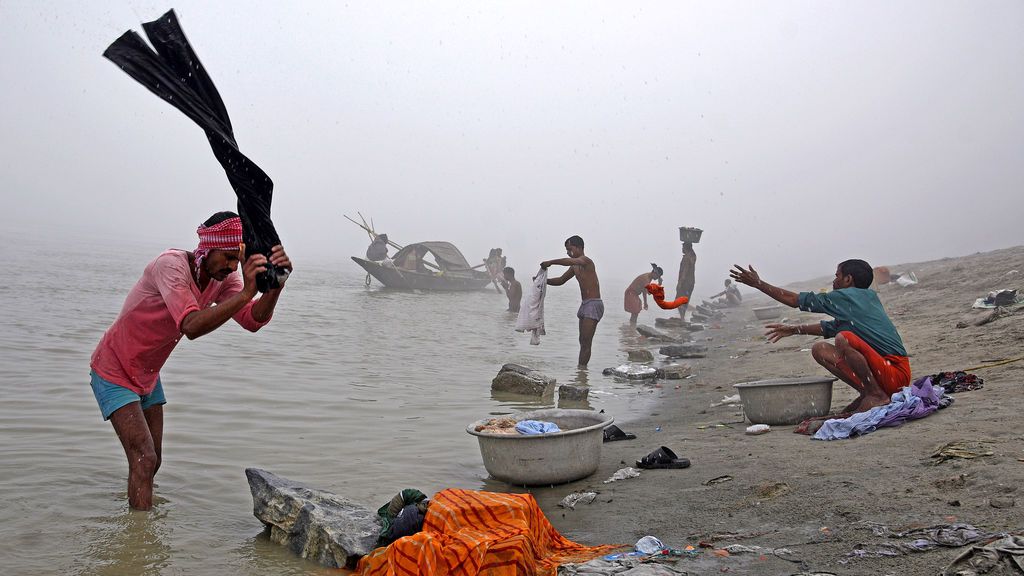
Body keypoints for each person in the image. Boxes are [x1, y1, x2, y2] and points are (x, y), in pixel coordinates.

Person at [89, 212, 292, 510]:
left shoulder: (223, 280)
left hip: (147, 373)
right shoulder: (171, 266)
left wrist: (275, 287)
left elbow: (252, 319)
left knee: (151, 460)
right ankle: (139, 544)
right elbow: (191, 326)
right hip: (113, 368)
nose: (232, 267)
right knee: (144, 458)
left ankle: (138, 517)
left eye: (237, 260)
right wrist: (249, 290)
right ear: (207, 249)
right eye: (227, 258)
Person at [730, 259, 911, 414]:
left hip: (895, 373)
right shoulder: (864, 298)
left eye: (837, 276)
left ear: (848, 279)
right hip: (889, 376)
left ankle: (875, 394)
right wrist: (794, 329)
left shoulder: (846, 296)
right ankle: (869, 392)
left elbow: (795, 301)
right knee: (820, 348)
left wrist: (758, 284)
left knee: (844, 339)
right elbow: (829, 327)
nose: (834, 280)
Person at [541, 235, 602, 369]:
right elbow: (561, 280)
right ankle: (581, 371)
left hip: (594, 304)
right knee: (582, 341)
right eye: (567, 251)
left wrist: (550, 262)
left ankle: (581, 371)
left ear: (579, 247)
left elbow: (567, 261)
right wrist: (544, 281)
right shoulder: (575, 266)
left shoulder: (586, 261)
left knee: (586, 341)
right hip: (584, 304)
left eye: (570, 249)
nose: (569, 253)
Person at [675, 242, 696, 319]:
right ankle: (682, 317)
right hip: (691, 282)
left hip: (685, 283)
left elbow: (685, 271)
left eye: (683, 247)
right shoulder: (693, 256)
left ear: (686, 248)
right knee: (685, 300)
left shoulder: (686, 258)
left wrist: (680, 283)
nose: (682, 249)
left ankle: (682, 317)